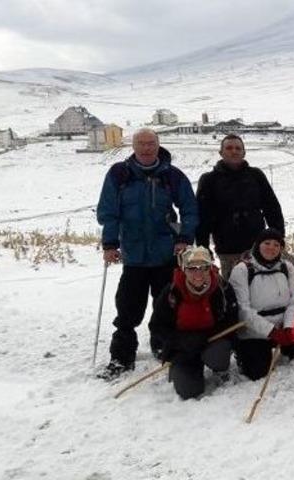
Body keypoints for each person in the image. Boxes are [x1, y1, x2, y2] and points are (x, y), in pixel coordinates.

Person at [96, 128, 198, 380]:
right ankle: (121, 357)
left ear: (158, 145)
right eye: (141, 144)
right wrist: (110, 244)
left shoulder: (172, 176)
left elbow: (189, 209)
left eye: (150, 143)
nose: (146, 148)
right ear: (133, 146)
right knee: (128, 310)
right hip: (134, 256)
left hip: (166, 254)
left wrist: (184, 239)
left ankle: (163, 347)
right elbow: (108, 211)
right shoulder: (119, 174)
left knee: (166, 307)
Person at [149, 247, 238, 400]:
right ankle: (182, 370)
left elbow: (232, 319)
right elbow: (156, 326)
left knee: (219, 353)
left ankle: (220, 370)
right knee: (189, 391)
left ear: (210, 267)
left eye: (204, 267)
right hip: (182, 348)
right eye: (192, 268)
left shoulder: (221, 288)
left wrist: (207, 336)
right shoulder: (171, 292)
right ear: (184, 269)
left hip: (211, 342)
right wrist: (180, 341)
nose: (198, 273)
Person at [195, 134, 286, 279]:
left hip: (258, 247)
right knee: (233, 293)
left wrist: (278, 237)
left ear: (244, 152)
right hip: (227, 249)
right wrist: (203, 247)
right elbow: (202, 217)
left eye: (238, 148)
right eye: (229, 148)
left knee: (262, 289)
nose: (234, 151)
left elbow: (272, 207)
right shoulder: (209, 180)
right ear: (221, 152)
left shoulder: (256, 176)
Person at [228, 228, 294, 380]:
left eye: (276, 245)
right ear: (257, 245)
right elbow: (243, 310)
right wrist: (271, 331)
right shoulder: (242, 270)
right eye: (267, 243)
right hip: (255, 330)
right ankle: (243, 353)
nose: (272, 248)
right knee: (257, 373)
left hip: (283, 325)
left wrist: (289, 326)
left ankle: (290, 350)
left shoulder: (286, 267)